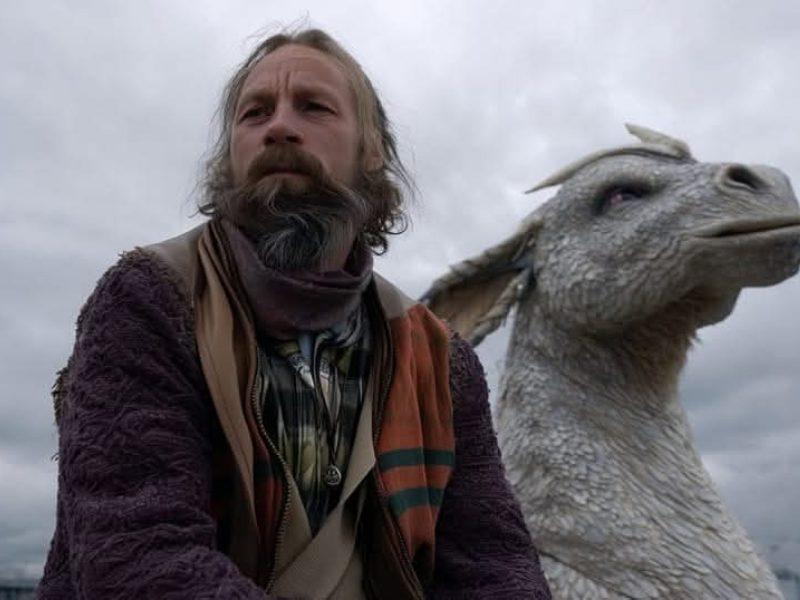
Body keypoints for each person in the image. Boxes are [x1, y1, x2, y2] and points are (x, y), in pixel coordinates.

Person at [37, 28, 551, 599]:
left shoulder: (440, 359)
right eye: (255, 113)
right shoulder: (150, 300)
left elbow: (494, 567)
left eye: (313, 107)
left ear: (372, 150)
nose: (279, 126)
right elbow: (139, 557)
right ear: (230, 156)